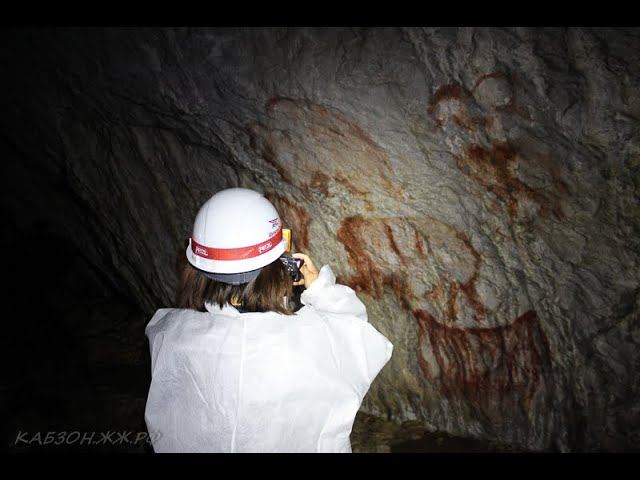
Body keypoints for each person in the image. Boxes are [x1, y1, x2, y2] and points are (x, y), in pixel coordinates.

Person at [144, 188, 393, 453]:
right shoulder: (311, 340)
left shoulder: (168, 333)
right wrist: (320, 289)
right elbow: (359, 337)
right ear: (279, 265)